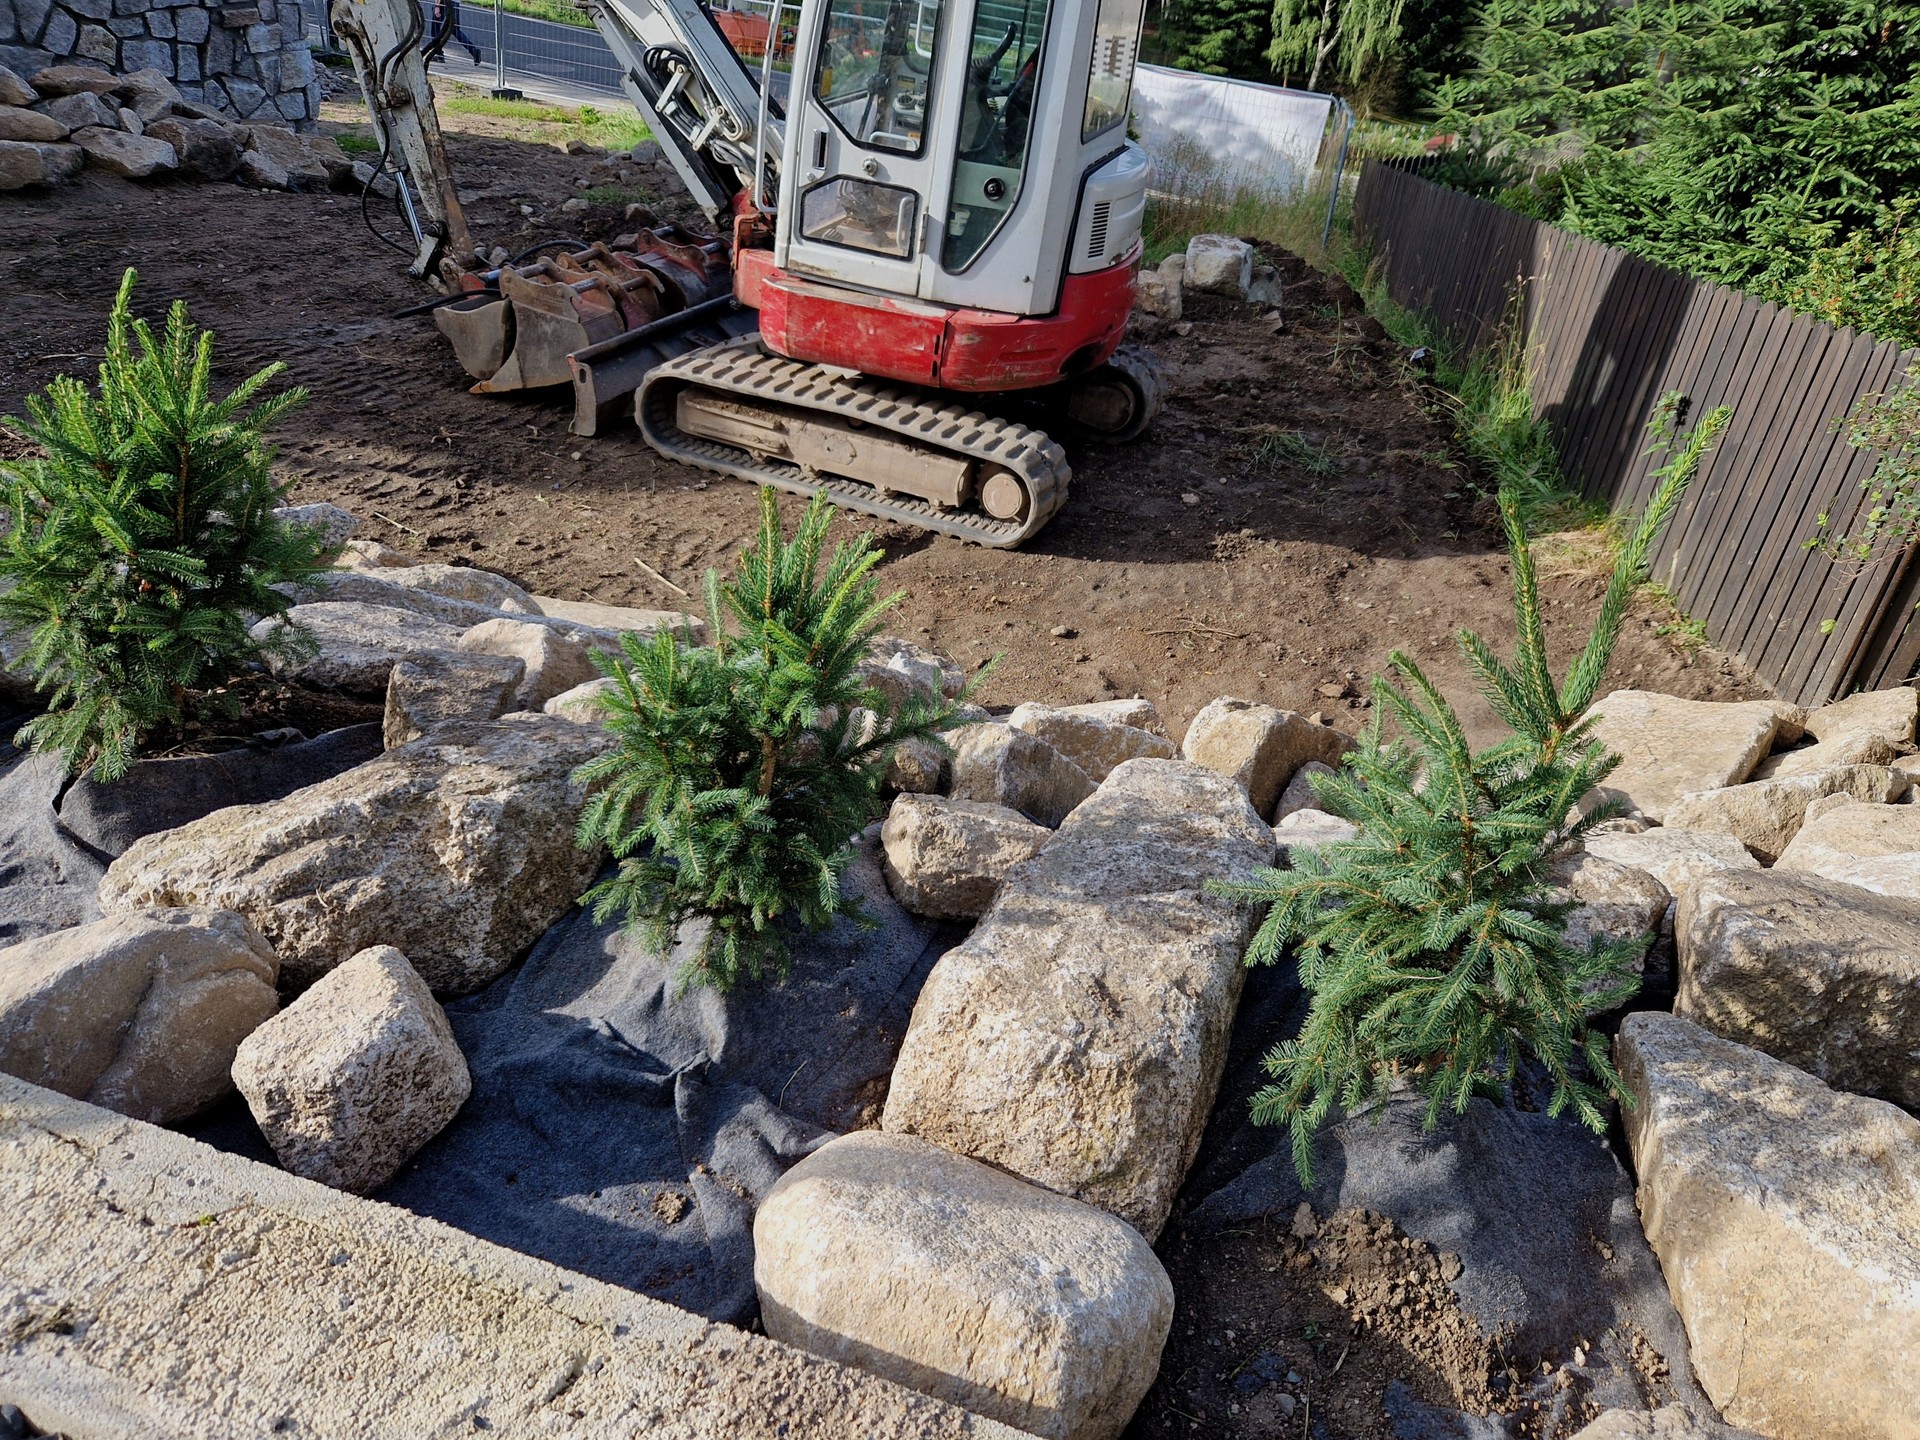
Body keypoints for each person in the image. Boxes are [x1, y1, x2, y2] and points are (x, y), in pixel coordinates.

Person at [425, 0, 484, 66]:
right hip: (455, 2)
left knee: (435, 29)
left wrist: (437, 6)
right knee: (455, 30)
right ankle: (473, 51)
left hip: (444, 2)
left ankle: (439, 55)